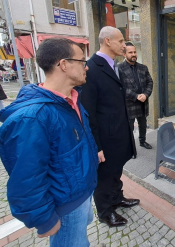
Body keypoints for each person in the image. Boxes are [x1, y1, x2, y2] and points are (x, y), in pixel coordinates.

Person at [0, 38, 99, 246]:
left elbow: (72, 141)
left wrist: (92, 154)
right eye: (82, 61)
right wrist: (44, 219)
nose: (86, 66)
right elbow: (26, 177)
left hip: (81, 192)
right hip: (65, 205)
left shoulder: (71, 99)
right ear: (64, 64)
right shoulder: (33, 117)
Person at [80, 26, 139, 228]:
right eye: (121, 41)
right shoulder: (91, 68)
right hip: (104, 138)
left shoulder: (115, 65)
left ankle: (116, 198)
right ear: (107, 41)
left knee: (116, 171)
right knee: (104, 176)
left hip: (119, 134)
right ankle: (105, 212)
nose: (124, 45)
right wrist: (96, 146)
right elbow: (89, 112)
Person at [118, 42, 153, 149]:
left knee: (143, 125)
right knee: (130, 127)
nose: (133, 54)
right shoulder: (119, 69)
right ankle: (131, 147)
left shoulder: (143, 67)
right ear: (124, 54)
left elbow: (150, 82)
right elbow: (120, 87)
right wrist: (136, 96)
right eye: (130, 52)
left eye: (135, 52)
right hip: (129, 104)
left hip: (143, 102)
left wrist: (146, 95)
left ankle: (142, 141)